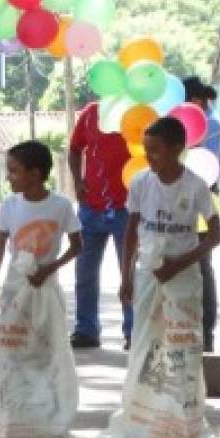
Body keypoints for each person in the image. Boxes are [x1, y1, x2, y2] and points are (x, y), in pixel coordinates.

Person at [106, 116, 220, 438]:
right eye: (146, 150)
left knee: (182, 343)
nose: (150, 157)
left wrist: (179, 264)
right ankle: (142, 414)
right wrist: (126, 276)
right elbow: (131, 232)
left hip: (183, 276)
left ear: (177, 149)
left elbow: (215, 236)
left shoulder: (195, 187)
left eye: (156, 150)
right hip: (148, 274)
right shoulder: (142, 183)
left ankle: (182, 416)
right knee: (145, 340)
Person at [0, 140, 82, 438]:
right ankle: (14, 415)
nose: (9, 177)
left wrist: (49, 269)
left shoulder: (60, 206)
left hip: (46, 288)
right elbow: (0, 246)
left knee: (46, 349)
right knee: (14, 349)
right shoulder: (10, 206)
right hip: (16, 287)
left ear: (35, 173)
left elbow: (77, 246)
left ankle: (47, 414)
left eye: (14, 171)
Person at [68, 99, 133, 350]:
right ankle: (86, 329)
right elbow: (74, 149)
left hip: (127, 208)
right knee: (84, 272)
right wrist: (77, 181)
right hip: (90, 207)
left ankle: (133, 330)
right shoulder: (90, 113)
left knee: (128, 273)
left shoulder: (135, 112)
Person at [184, 75, 220, 352]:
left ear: (195, 101)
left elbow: (202, 171)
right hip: (181, 200)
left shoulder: (209, 127)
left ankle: (206, 334)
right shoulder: (205, 121)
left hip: (201, 202)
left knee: (201, 267)